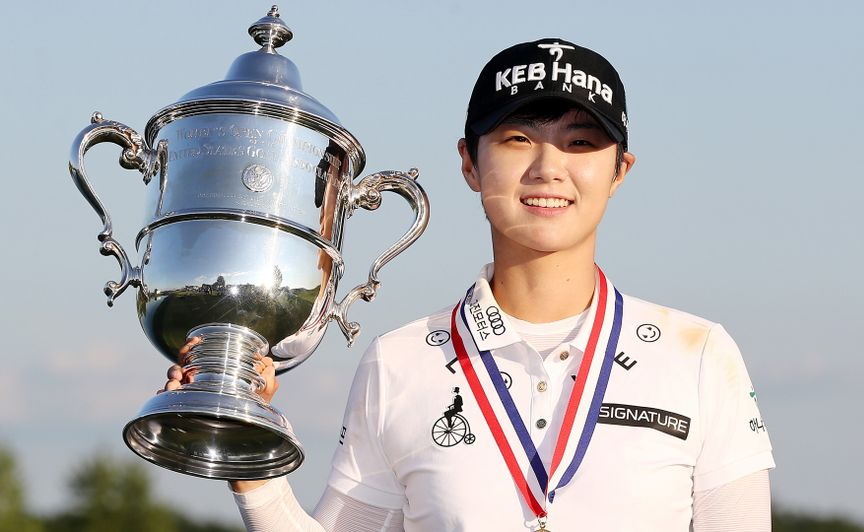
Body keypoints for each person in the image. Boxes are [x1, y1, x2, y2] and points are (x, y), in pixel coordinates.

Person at [165, 37, 775, 531]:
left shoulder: (697, 355)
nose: (548, 168)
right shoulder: (401, 362)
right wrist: (247, 448)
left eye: (581, 142)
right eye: (517, 138)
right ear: (467, 161)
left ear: (620, 171)